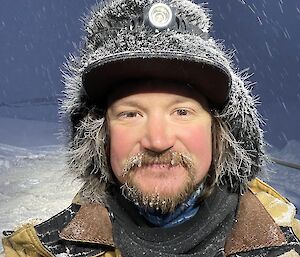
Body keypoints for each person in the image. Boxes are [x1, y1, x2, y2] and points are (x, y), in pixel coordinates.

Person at [2, 0, 300, 256]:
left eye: (182, 112)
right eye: (131, 114)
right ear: (99, 137)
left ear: (220, 131)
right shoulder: (38, 249)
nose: (158, 140)